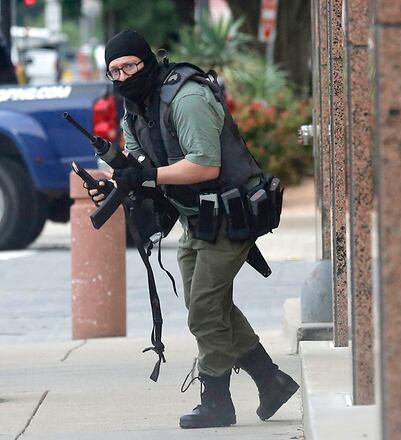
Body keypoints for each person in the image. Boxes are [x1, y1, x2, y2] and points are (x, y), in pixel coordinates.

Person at [88, 29, 299, 429]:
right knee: (208, 307)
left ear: (147, 60)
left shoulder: (186, 98)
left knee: (204, 311)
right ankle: (271, 380)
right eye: (114, 72)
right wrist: (113, 182)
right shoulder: (134, 107)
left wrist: (145, 176)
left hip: (232, 212)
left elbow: (205, 166)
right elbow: (138, 165)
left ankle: (217, 401)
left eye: (130, 66)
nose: (123, 77)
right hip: (196, 216)